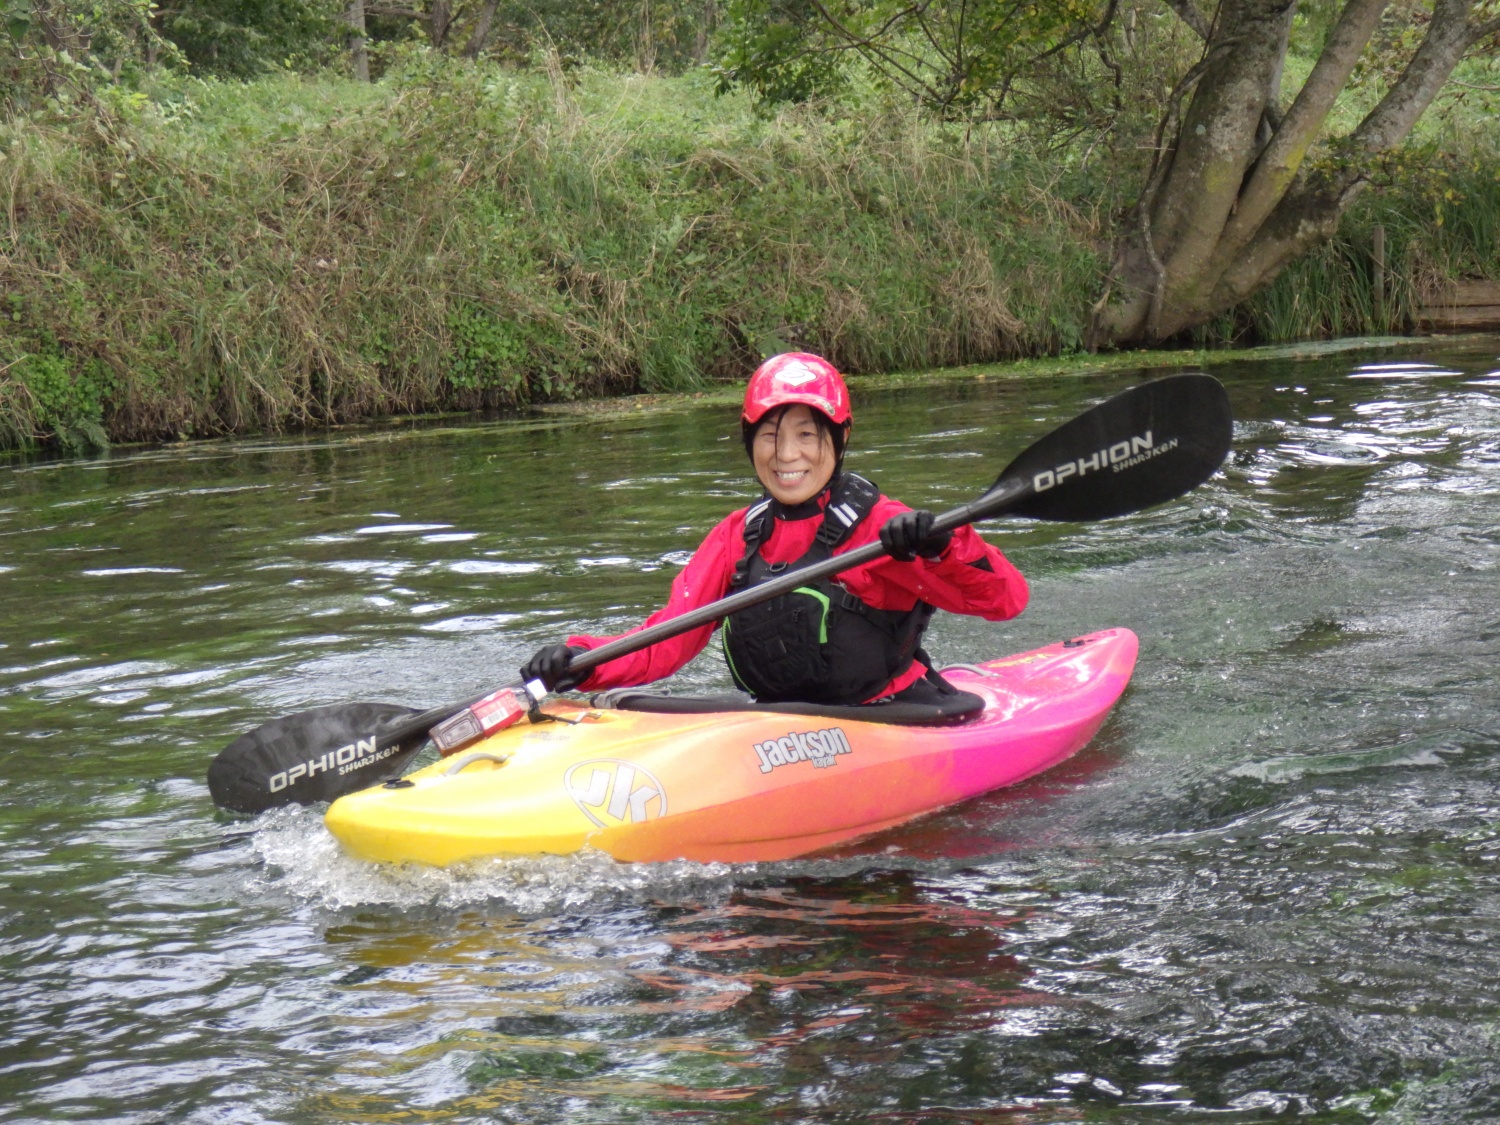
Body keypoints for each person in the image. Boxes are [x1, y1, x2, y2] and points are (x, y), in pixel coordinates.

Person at [520, 352, 1028, 714]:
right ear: (749, 442)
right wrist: (582, 662)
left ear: (840, 438)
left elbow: (1004, 601)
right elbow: (666, 640)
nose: (786, 455)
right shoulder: (738, 536)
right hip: (779, 727)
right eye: (770, 435)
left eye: (807, 434)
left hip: (892, 715)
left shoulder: (883, 526)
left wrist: (941, 546)